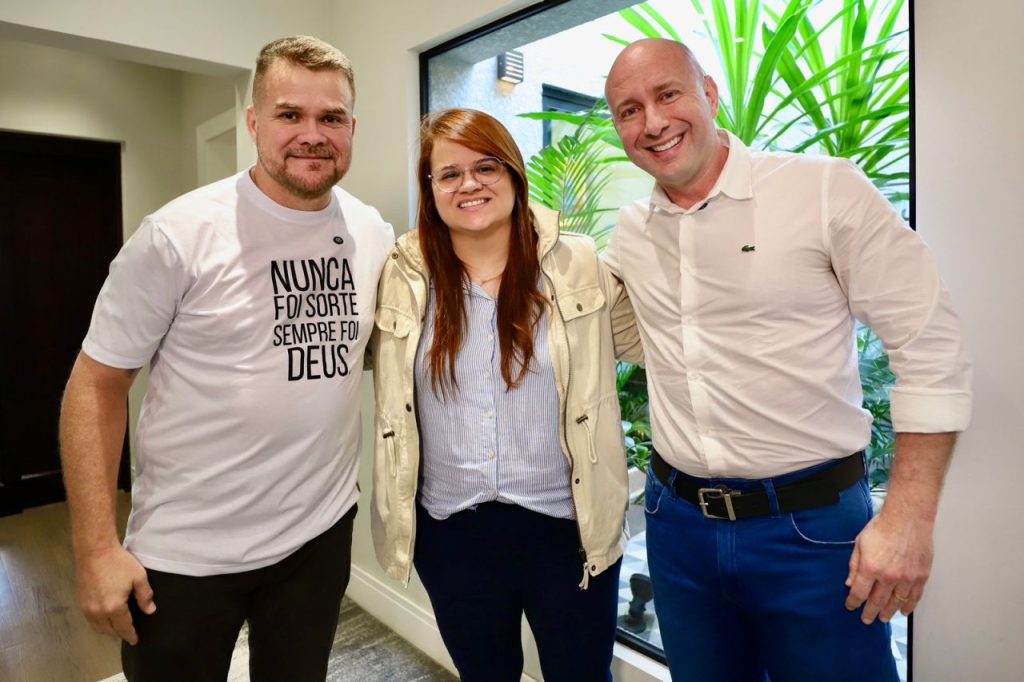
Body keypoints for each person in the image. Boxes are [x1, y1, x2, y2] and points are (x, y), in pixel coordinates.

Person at [602, 39, 972, 681]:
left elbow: (930, 341)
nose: (653, 122)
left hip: (813, 532)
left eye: (668, 95)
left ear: (710, 94)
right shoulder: (632, 231)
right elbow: (648, 340)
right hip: (677, 528)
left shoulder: (822, 189)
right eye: (629, 110)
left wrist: (909, 518)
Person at [58, 35, 394, 682]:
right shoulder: (177, 236)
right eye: (289, 114)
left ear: (353, 126)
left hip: (316, 541)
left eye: (331, 118)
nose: (312, 135)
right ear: (252, 123)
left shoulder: (371, 233)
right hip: (185, 555)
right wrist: (95, 547)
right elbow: (95, 385)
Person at [368, 108, 642, 682]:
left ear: (515, 176)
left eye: (486, 166)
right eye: (449, 174)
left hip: (568, 532)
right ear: (430, 190)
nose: (469, 184)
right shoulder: (402, 273)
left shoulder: (581, 265)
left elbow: (655, 346)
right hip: (451, 535)